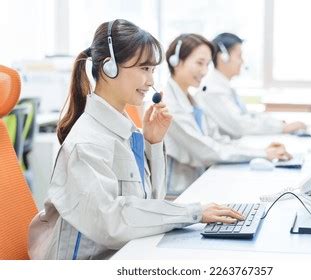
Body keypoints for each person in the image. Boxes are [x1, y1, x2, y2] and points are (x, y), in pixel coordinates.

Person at [28, 20, 243, 260]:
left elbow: (150, 202)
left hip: (124, 253)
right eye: (144, 68)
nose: (151, 81)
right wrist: (192, 213)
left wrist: (153, 143)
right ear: (109, 67)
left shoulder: (125, 129)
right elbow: (111, 222)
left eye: (152, 70)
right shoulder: (87, 143)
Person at [163, 34, 291, 195]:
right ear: (177, 62)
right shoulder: (168, 106)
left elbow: (217, 139)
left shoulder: (190, 99)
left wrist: (259, 151)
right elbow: (206, 150)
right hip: (179, 193)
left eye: (207, 64)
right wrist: (262, 154)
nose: (204, 71)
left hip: (199, 182)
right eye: (199, 63)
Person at [196, 32, 306, 139]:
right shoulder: (213, 90)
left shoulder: (223, 86)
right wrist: (282, 128)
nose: (242, 61)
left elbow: (246, 115)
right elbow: (240, 125)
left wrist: (278, 123)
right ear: (223, 57)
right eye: (239, 56)